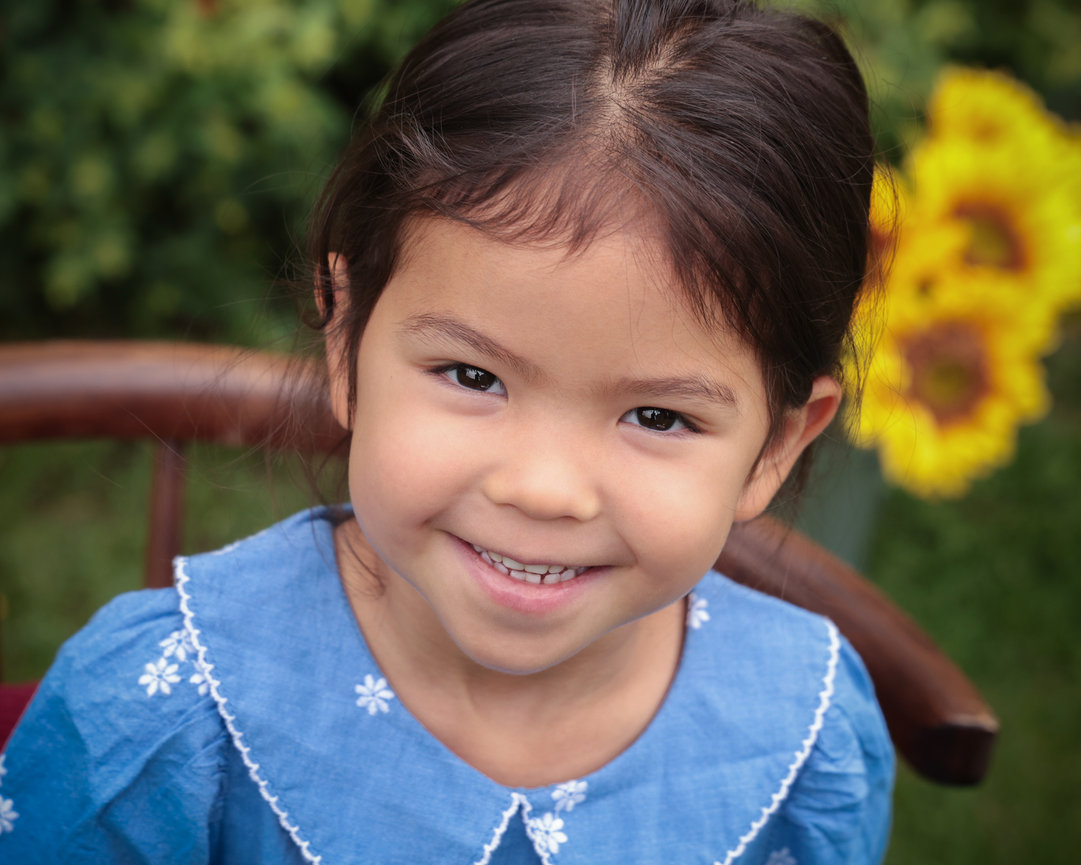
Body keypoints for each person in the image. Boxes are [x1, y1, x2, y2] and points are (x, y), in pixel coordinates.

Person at [0, 0, 894, 861]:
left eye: (657, 416)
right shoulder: (163, 720)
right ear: (346, 341)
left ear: (777, 445)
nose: (542, 488)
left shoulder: (804, 736)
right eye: (474, 376)